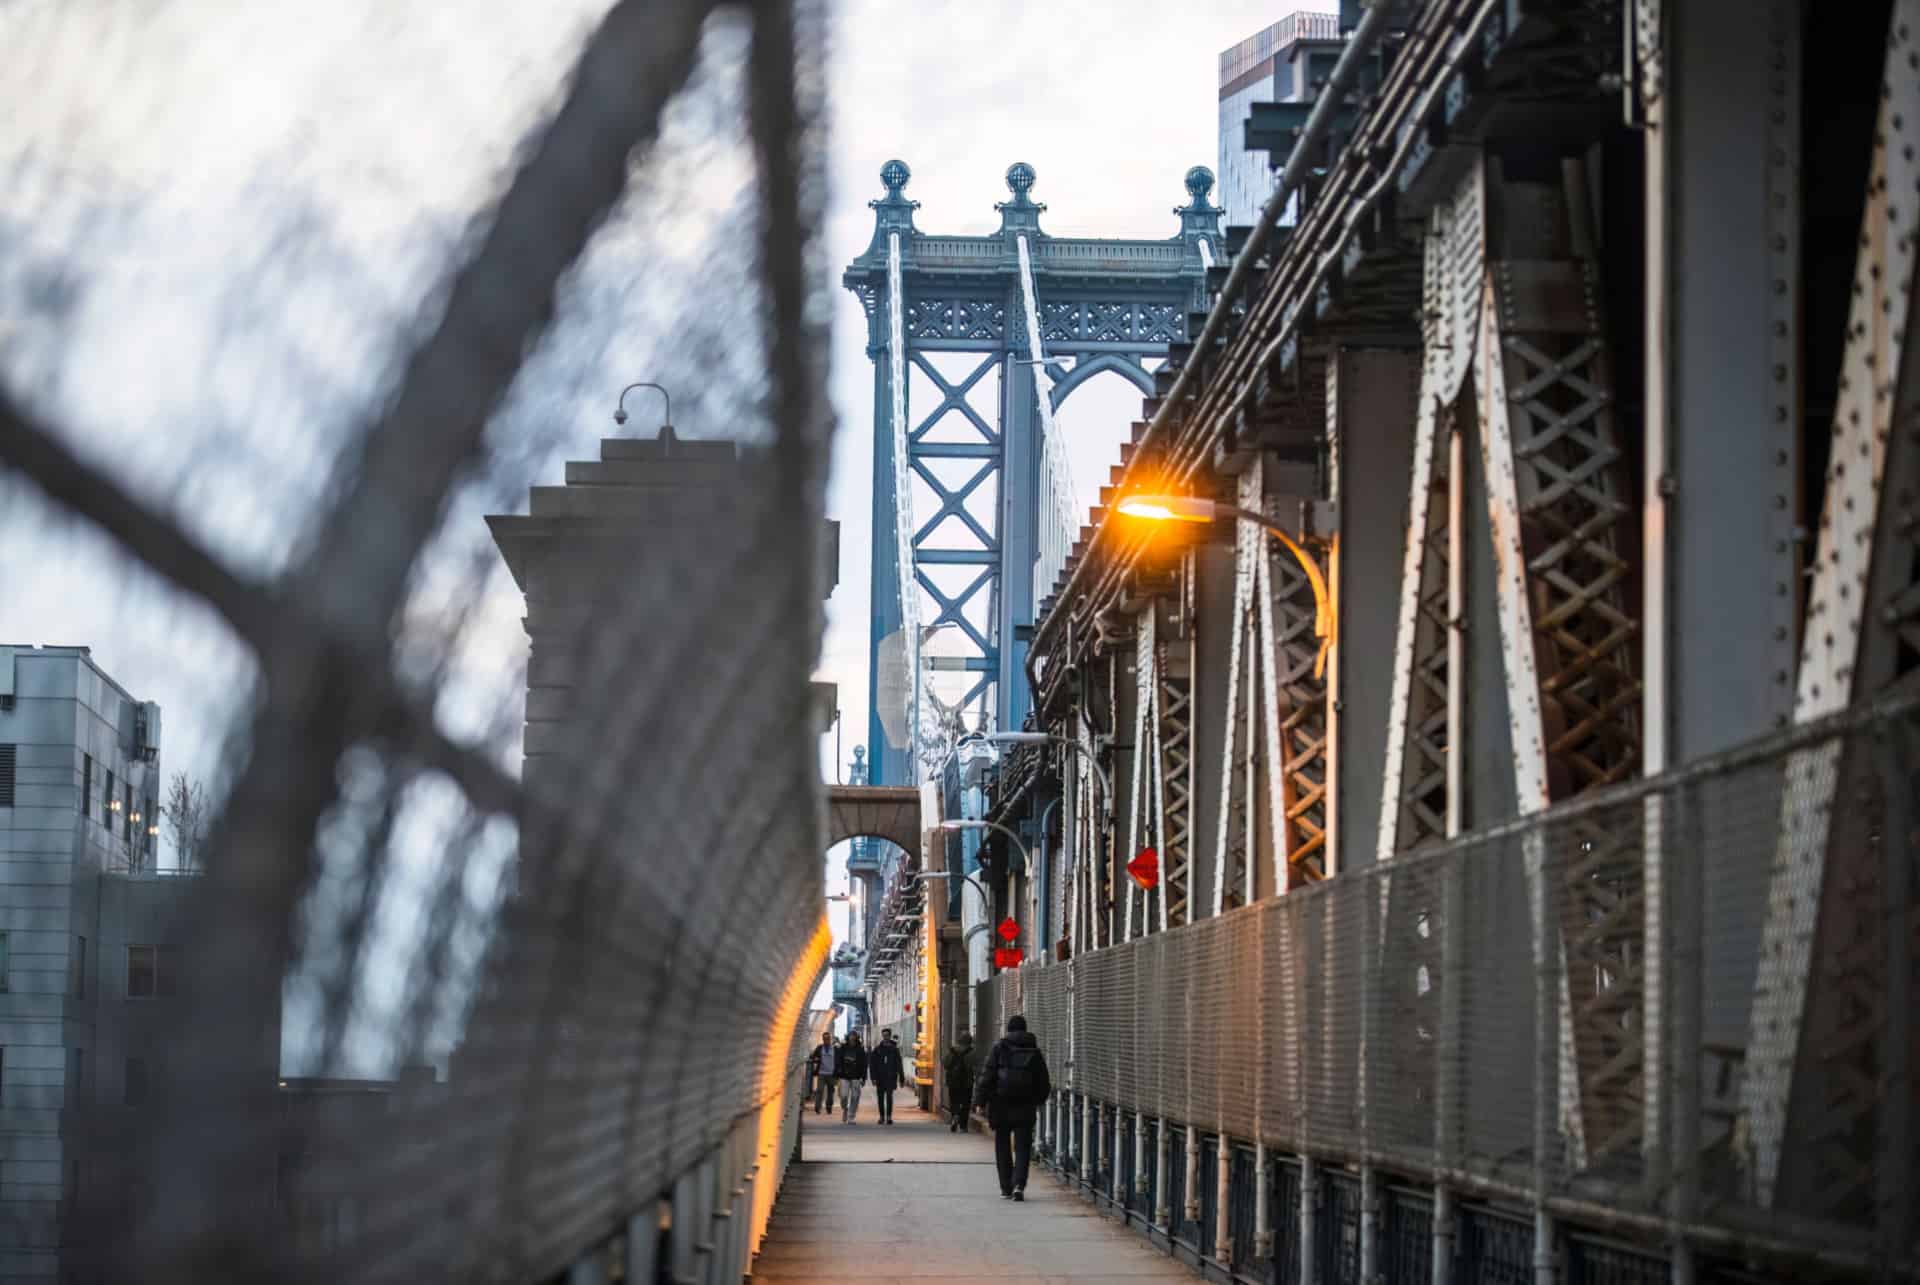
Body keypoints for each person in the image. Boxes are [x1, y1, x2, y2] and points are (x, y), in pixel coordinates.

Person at [973, 1015, 1051, 1202]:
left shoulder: (999, 1048)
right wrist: (1037, 1100)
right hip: (1025, 1106)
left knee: (1002, 1146)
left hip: (1001, 1104)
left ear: (1008, 1030)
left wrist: (979, 1101)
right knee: (1023, 1147)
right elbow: (1043, 1082)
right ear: (1025, 1030)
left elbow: (987, 1076)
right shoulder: (1035, 1051)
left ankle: (1006, 1187)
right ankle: (1019, 1185)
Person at [869, 1028, 906, 1125]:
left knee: (889, 1097)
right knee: (880, 1098)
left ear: (890, 1036)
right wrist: (873, 1077)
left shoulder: (894, 1050)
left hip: (891, 1077)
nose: (885, 1037)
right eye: (884, 1035)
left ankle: (889, 1117)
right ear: (882, 1036)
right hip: (880, 1078)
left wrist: (901, 1078)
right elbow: (872, 1065)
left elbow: (899, 1064)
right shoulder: (877, 1050)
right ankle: (881, 1117)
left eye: (887, 1035)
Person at [942, 1032, 976, 1133]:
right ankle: (963, 1125)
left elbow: (945, 1064)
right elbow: (974, 1065)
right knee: (966, 1103)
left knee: (954, 1101)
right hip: (967, 1082)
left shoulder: (952, 1051)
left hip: (953, 1082)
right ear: (969, 1041)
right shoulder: (971, 1052)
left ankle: (954, 1116)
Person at [837, 1030, 869, 1124]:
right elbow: (838, 1061)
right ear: (848, 1037)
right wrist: (837, 1073)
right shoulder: (843, 1048)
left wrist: (864, 1077)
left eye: (854, 1035)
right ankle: (845, 1108)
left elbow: (864, 1064)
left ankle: (851, 1116)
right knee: (843, 1095)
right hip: (844, 1076)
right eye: (851, 1035)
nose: (852, 1037)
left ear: (856, 1037)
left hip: (856, 1076)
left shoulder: (860, 1049)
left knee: (855, 1097)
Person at [808, 1032, 837, 1115]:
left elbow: (838, 1059)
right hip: (822, 1073)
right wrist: (816, 1059)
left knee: (830, 1091)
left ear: (830, 1039)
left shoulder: (834, 1049)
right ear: (823, 1039)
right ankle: (817, 1107)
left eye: (828, 1039)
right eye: (824, 1039)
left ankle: (829, 1107)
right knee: (819, 1090)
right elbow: (812, 1056)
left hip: (831, 1073)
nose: (826, 1040)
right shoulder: (820, 1048)